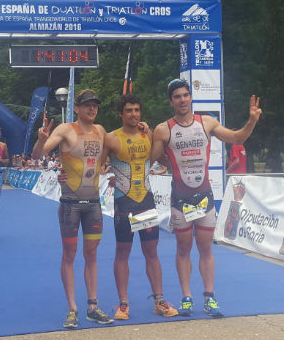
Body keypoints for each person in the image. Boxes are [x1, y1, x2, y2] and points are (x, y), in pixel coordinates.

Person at [150, 79, 262, 318]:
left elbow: (237, 138)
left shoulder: (207, 122)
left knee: (205, 248)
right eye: (177, 97)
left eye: (185, 95)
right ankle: (186, 297)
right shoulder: (163, 129)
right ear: (171, 101)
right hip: (180, 198)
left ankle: (210, 297)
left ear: (191, 97)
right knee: (183, 248)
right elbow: (152, 157)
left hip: (204, 198)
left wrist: (252, 120)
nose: (182, 100)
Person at [31, 89, 113, 328]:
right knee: (69, 255)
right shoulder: (66, 129)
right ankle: (72, 309)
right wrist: (41, 139)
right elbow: (38, 155)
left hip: (94, 204)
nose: (92, 109)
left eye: (95, 105)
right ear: (77, 108)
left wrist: (142, 128)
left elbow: (119, 146)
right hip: (70, 205)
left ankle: (93, 307)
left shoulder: (101, 131)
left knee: (92, 254)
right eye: (87, 105)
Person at [102, 94, 178, 320]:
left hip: (145, 201)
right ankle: (123, 303)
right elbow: (97, 165)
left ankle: (159, 301)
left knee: (151, 252)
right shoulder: (111, 138)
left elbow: (163, 160)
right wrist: (106, 173)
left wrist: (152, 132)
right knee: (122, 253)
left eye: (136, 110)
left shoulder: (148, 135)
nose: (133, 114)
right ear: (121, 114)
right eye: (129, 110)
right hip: (124, 204)